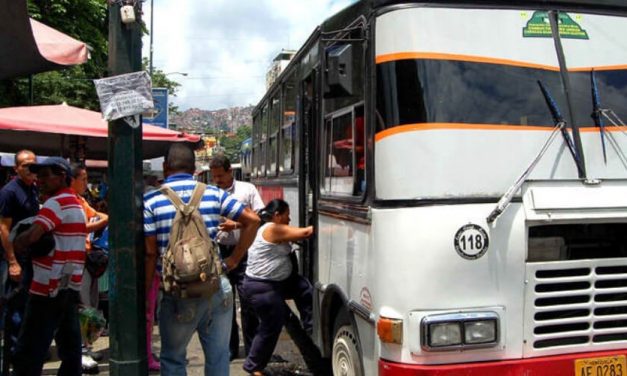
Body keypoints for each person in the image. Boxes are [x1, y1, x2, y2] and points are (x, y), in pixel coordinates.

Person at [143, 144, 260, 375]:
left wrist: (147, 293)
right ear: (194, 168)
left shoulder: (151, 201)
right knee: (218, 359)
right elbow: (253, 220)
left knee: (173, 358)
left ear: (166, 167)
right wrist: (234, 259)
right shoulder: (214, 193)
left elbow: (150, 253)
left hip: (176, 292)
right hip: (215, 287)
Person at [12, 157, 87, 376]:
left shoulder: (56, 203)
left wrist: (18, 242)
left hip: (47, 286)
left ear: (62, 177)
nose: (39, 181)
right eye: (39, 175)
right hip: (69, 284)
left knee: (30, 347)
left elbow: (33, 235)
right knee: (69, 345)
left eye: (46, 176)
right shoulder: (75, 202)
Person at [242, 199, 314, 375]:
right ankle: (253, 367)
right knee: (271, 326)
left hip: (276, 283)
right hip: (263, 288)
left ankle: (311, 326)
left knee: (303, 287)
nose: (289, 220)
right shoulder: (272, 228)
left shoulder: (268, 227)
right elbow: (305, 232)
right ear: (277, 215)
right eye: (287, 216)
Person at [210, 154, 265, 359]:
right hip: (220, 252)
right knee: (224, 304)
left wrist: (236, 225)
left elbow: (260, 217)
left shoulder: (247, 189)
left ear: (230, 172)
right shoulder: (211, 193)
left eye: (221, 176)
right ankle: (230, 349)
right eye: (214, 177)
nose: (218, 181)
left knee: (248, 303)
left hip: (244, 252)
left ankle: (252, 351)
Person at [0, 150, 38, 369]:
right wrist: (12, 260)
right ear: (16, 168)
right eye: (25, 165)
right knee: (14, 309)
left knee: (25, 309)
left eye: (33, 164)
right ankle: (12, 360)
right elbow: (3, 228)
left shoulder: (32, 189)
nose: (29, 168)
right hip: (13, 259)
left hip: (28, 257)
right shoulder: (9, 192)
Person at [69, 163, 108, 373]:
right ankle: (81, 350)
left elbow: (97, 217)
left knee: (91, 304)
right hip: (75, 261)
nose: (86, 183)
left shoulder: (81, 200)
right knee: (83, 305)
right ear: (72, 180)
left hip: (87, 258)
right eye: (83, 179)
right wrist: (99, 222)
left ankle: (87, 346)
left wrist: (99, 220)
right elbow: (83, 226)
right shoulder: (69, 201)